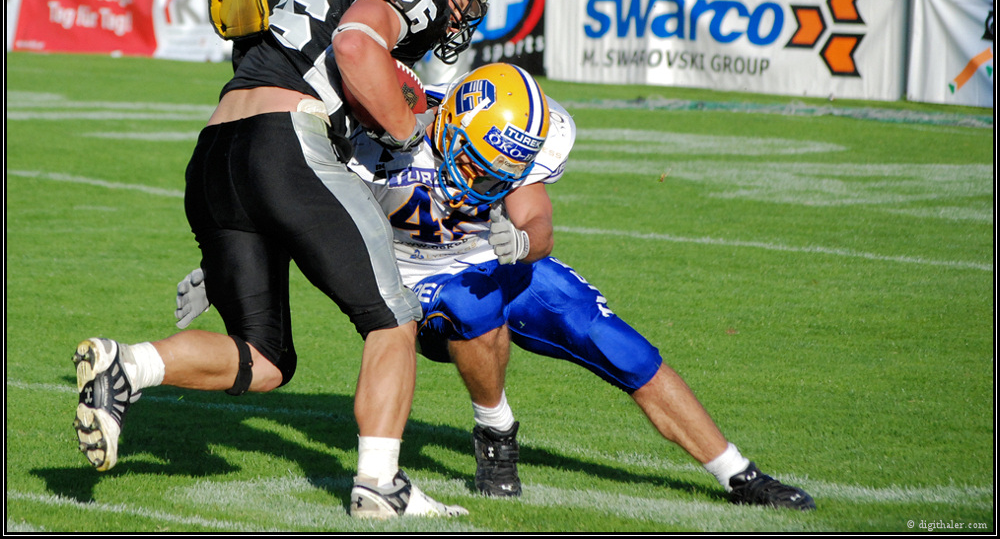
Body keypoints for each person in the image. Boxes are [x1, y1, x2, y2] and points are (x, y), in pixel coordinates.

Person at [177, 62, 816, 511]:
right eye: (480, 165)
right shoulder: (376, 128)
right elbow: (304, 208)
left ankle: (739, 474)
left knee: (621, 347)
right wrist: (232, 266)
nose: (489, 181)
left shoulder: (505, 132)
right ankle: (495, 429)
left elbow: (536, 217)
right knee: (468, 302)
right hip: (416, 288)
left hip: (498, 263)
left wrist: (524, 241)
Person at [72, 0, 492, 519]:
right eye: (462, 0)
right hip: (284, 139)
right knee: (392, 318)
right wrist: (407, 128)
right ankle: (380, 486)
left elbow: (337, 160)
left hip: (218, 156)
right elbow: (353, 48)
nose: (459, 18)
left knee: (265, 359)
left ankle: (128, 366)